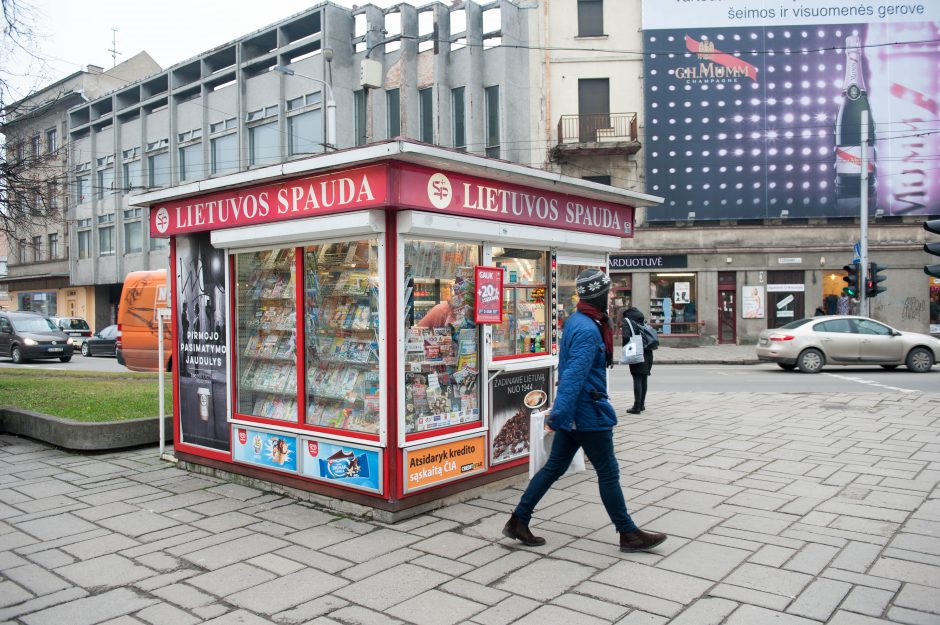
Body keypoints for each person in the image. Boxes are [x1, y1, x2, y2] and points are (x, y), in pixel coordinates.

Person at [502, 269, 667, 553]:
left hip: (577, 412)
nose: (612, 294)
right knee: (609, 472)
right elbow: (573, 377)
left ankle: (519, 519)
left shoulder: (581, 321)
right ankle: (628, 533)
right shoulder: (588, 329)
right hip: (587, 413)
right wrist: (558, 416)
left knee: (554, 467)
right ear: (599, 294)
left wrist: (563, 415)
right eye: (609, 291)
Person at [622, 307, 653, 414]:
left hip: (637, 352)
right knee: (643, 378)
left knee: (637, 378)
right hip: (648, 353)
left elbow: (626, 337)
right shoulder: (643, 322)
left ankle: (636, 407)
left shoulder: (627, 321)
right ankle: (642, 404)